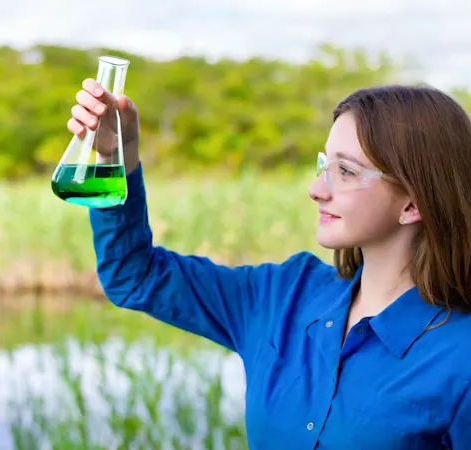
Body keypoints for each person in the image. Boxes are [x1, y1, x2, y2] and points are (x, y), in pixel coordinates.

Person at [67, 79, 471, 449]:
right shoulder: (282, 295)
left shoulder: (460, 358)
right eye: (323, 166)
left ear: (413, 202)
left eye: (345, 171)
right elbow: (134, 276)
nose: (316, 190)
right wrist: (114, 154)